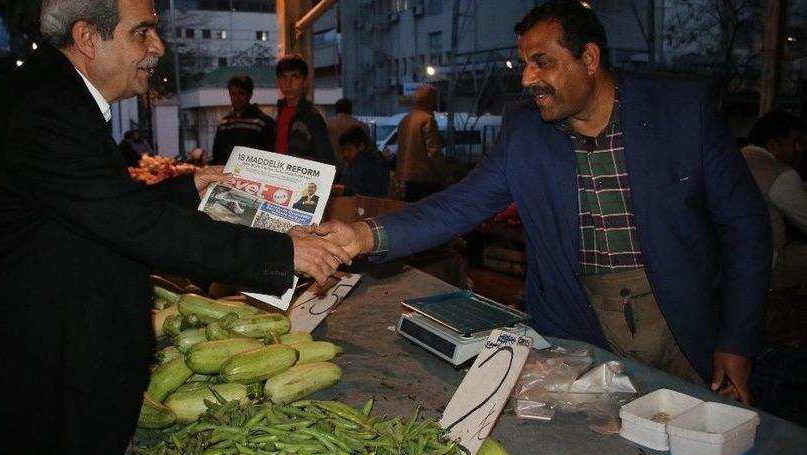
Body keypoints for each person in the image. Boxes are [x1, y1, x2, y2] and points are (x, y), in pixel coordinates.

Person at [0, 0, 351, 455]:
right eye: (142, 32)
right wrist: (284, 251)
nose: (158, 46)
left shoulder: (50, 94)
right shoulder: (45, 108)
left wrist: (185, 189)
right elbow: (133, 224)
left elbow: (96, 207)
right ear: (87, 38)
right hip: (32, 379)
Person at [317, 0, 770, 404]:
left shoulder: (681, 112)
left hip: (682, 322)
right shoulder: (524, 131)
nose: (528, 78)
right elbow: (458, 206)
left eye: (542, 63)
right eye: (524, 64)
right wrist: (361, 236)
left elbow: (745, 227)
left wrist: (737, 341)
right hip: (579, 325)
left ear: (589, 58)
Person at [741, 110, 807, 288]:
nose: (799, 149)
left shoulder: (733, 159)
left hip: (723, 260)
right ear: (773, 145)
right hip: (763, 265)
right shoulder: (781, 174)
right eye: (795, 141)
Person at [274, 54, 335, 165]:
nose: (288, 84)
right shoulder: (279, 111)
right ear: (278, 81)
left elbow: (326, 160)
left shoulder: (312, 116)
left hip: (298, 174)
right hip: (277, 173)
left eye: (295, 77)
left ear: (305, 82)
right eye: (284, 78)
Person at [394, 84, 447, 201]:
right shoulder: (428, 120)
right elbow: (433, 152)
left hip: (406, 177)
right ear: (430, 100)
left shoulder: (405, 120)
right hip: (426, 179)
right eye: (434, 99)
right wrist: (443, 173)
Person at [210, 74, 274, 165]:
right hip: (224, 172)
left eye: (241, 93)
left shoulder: (263, 122)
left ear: (250, 94)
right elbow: (217, 155)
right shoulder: (224, 123)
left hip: (250, 173)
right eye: (233, 94)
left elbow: (267, 158)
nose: (236, 98)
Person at [334, 126, 389, 198]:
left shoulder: (372, 164)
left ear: (361, 146)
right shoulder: (348, 163)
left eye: (348, 150)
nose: (345, 154)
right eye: (343, 150)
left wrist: (346, 191)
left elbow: (374, 195)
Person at [326, 98, 370, 162]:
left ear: (336, 110)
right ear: (350, 110)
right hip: (354, 164)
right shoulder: (362, 126)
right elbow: (368, 150)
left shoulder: (327, 124)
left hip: (331, 163)